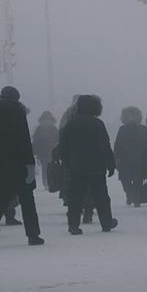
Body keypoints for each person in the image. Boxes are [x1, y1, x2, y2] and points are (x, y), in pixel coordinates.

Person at [0, 86, 43, 247]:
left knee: (1, 200)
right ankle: (33, 235)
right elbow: (24, 141)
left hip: (0, 165)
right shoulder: (18, 114)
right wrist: (30, 163)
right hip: (19, 164)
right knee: (27, 201)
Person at [59, 94, 118, 234]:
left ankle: (73, 225)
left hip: (76, 167)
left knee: (75, 196)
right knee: (101, 195)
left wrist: (66, 162)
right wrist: (110, 164)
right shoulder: (97, 124)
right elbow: (105, 145)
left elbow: (64, 145)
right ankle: (106, 222)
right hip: (96, 166)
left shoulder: (71, 124)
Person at [114, 106, 147, 207]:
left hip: (139, 159)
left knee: (138, 181)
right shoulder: (122, 129)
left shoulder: (143, 128)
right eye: (129, 115)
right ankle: (130, 195)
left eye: (133, 115)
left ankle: (136, 199)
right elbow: (117, 144)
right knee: (125, 181)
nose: (131, 117)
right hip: (125, 160)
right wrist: (116, 157)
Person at [32, 111, 60, 193]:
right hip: (51, 149)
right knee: (51, 165)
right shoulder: (53, 127)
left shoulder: (39, 128)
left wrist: (35, 151)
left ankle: (45, 182)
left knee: (44, 167)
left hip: (42, 150)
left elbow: (35, 140)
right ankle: (50, 181)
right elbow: (58, 138)